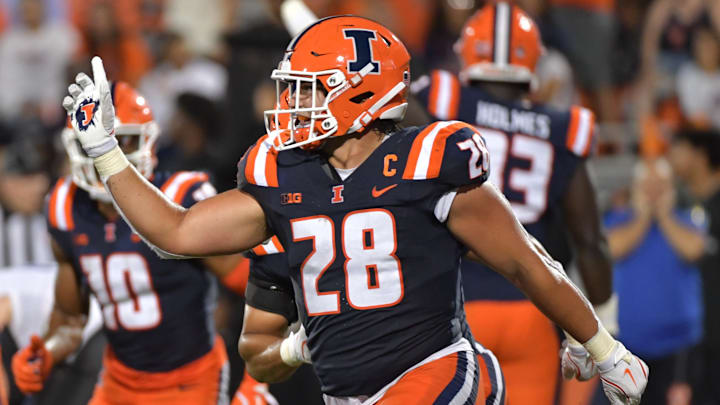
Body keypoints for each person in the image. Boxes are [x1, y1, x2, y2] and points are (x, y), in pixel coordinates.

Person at [63, 15, 648, 405]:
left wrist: (603, 346)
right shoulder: (280, 177)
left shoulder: (426, 160)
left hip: (443, 372)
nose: (290, 103)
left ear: (362, 92)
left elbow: (524, 260)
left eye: (309, 89)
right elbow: (176, 232)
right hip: (350, 393)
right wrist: (107, 153)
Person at [12, 81, 270, 405]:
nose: (107, 154)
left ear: (148, 142)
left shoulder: (181, 198)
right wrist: (47, 353)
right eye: (97, 143)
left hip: (190, 382)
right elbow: (69, 319)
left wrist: (258, 378)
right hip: (118, 381)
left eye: (123, 142)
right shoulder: (64, 208)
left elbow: (263, 290)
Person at [411, 3, 614, 404]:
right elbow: (590, 241)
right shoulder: (561, 127)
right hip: (531, 309)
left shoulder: (442, 99)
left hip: (456, 304)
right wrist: (603, 321)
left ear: (468, 53)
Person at [605, 158, 704, 405]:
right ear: (635, 188)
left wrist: (664, 215)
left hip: (679, 344)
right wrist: (643, 217)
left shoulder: (687, 219)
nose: (653, 193)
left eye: (660, 186)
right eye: (647, 186)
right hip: (628, 344)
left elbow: (692, 250)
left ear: (671, 188)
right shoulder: (618, 220)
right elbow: (613, 249)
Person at [669, 128, 720, 405]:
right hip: (690, 337)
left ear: (700, 156)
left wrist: (662, 213)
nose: (671, 157)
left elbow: (693, 249)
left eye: (678, 149)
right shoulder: (683, 204)